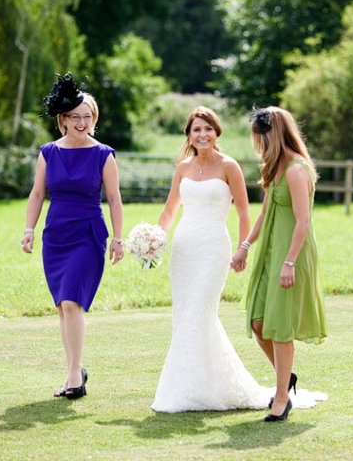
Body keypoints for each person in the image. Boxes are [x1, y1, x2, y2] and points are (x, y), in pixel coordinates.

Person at [151, 106, 271, 413]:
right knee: (184, 316)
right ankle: (194, 388)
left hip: (214, 248)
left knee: (200, 312)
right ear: (189, 136)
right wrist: (152, 241)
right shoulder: (183, 168)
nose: (202, 134)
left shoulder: (229, 166)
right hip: (184, 250)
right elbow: (168, 212)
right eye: (196, 130)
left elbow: (244, 211)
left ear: (216, 133)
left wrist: (243, 247)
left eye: (207, 129)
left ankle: (202, 389)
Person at [21, 72, 124, 400]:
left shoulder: (103, 154)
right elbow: (37, 194)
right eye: (75, 117)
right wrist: (29, 229)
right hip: (56, 235)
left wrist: (117, 238)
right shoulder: (48, 152)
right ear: (63, 120)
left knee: (72, 300)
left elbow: (115, 199)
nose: (82, 122)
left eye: (87, 117)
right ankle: (75, 369)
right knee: (63, 307)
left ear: (93, 120)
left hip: (88, 234)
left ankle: (73, 376)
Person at [232, 106, 327, 422]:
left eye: (261, 137)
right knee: (259, 323)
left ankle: (282, 395)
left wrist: (289, 262)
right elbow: (264, 213)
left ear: (275, 135)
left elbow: (303, 221)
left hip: (291, 255)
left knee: (280, 325)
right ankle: (286, 378)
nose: (258, 143)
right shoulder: (274, 169)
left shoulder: (297, 170)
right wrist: (245, 246)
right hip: (271, 253)